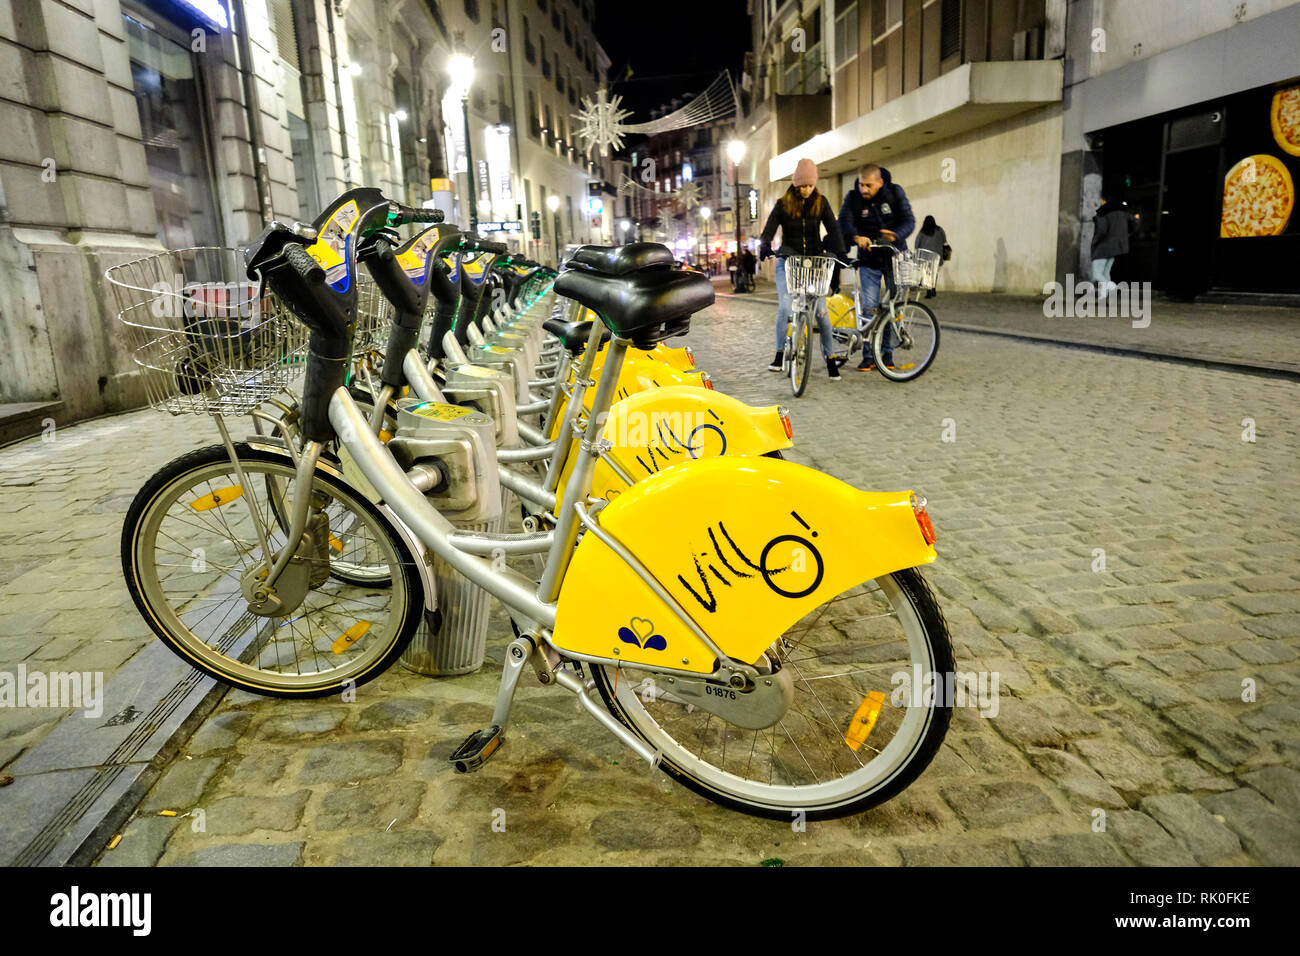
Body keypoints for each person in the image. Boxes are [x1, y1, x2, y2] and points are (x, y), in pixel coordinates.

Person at [759, 158, 849, 380]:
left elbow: (834, 229)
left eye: (810, 185)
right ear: (796, 184)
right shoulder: (783, 203)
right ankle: (780, 355)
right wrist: (764, 245)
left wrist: (841, 252)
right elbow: (769, 228)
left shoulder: (821, 202)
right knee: (785, 309)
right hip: (789, 264)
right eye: (803, 185)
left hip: (814, 265)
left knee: (822, 315)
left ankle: (830, 361)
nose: (807, 190)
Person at [838, 164, 914, 370]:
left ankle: (887, 355)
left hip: (893, 258)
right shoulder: (853, 198)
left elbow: (909, 220)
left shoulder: (895, 193)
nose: (864, 189)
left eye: (868, 185)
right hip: (869, 260)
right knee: (870, 309)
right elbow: (844, 221)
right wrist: (856, 236)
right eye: (861, 184)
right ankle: (869, 355)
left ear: (880, 182)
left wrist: (896, 235)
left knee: (891, 309)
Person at [1090, 194, 1133, 296]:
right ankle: (1104, 296)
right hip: (1114, 250)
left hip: (1102, 249)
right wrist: (1127, 235)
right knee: (1105, 273)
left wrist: (1094, 244)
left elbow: (1101, 232)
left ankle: (1111, 285)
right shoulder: (1121, 215)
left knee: (1097, 274)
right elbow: (1135, 222)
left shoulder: (1102, 216)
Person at [914, 215, 948, 299]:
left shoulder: (922, 231)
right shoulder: (940, 230)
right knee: (934, 273)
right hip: (937, 256)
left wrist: (917, 252)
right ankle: (933, 288)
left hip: (925, 256)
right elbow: (944, 240)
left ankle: (929, 291)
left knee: (927, 274)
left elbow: (917, 243)